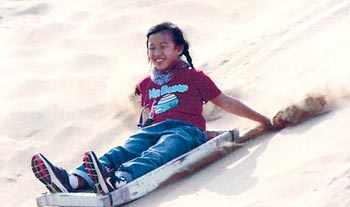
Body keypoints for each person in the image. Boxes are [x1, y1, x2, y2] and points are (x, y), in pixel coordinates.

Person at [31, 22, 274, 195]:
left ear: (178, 49)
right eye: (152, 47)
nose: (157, 53)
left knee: (160, 152)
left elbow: (226, 101)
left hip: (186, 132)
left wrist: (262, 119)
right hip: (153, 129)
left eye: (163, 46)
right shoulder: (147, 83)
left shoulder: (195, 77)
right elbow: (137, 101)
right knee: (123, 149)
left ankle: (119, 179)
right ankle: (73, 179)